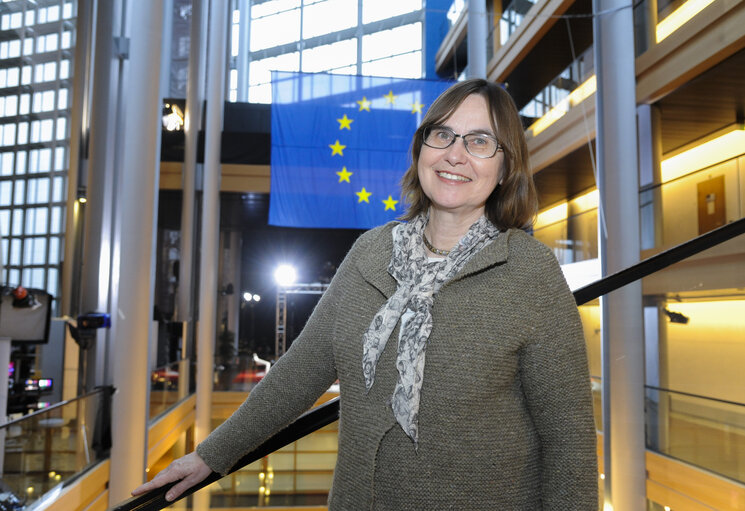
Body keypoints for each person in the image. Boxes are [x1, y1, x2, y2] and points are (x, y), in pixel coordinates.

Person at [133, 78, 598, 509]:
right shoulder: (370, 251)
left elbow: (568, 439)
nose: (456, 154)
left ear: (504, 168)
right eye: (443, 135)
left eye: (479, 142)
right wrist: (211, 455)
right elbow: (301, 370)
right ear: (422, 150)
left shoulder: (530, 271)